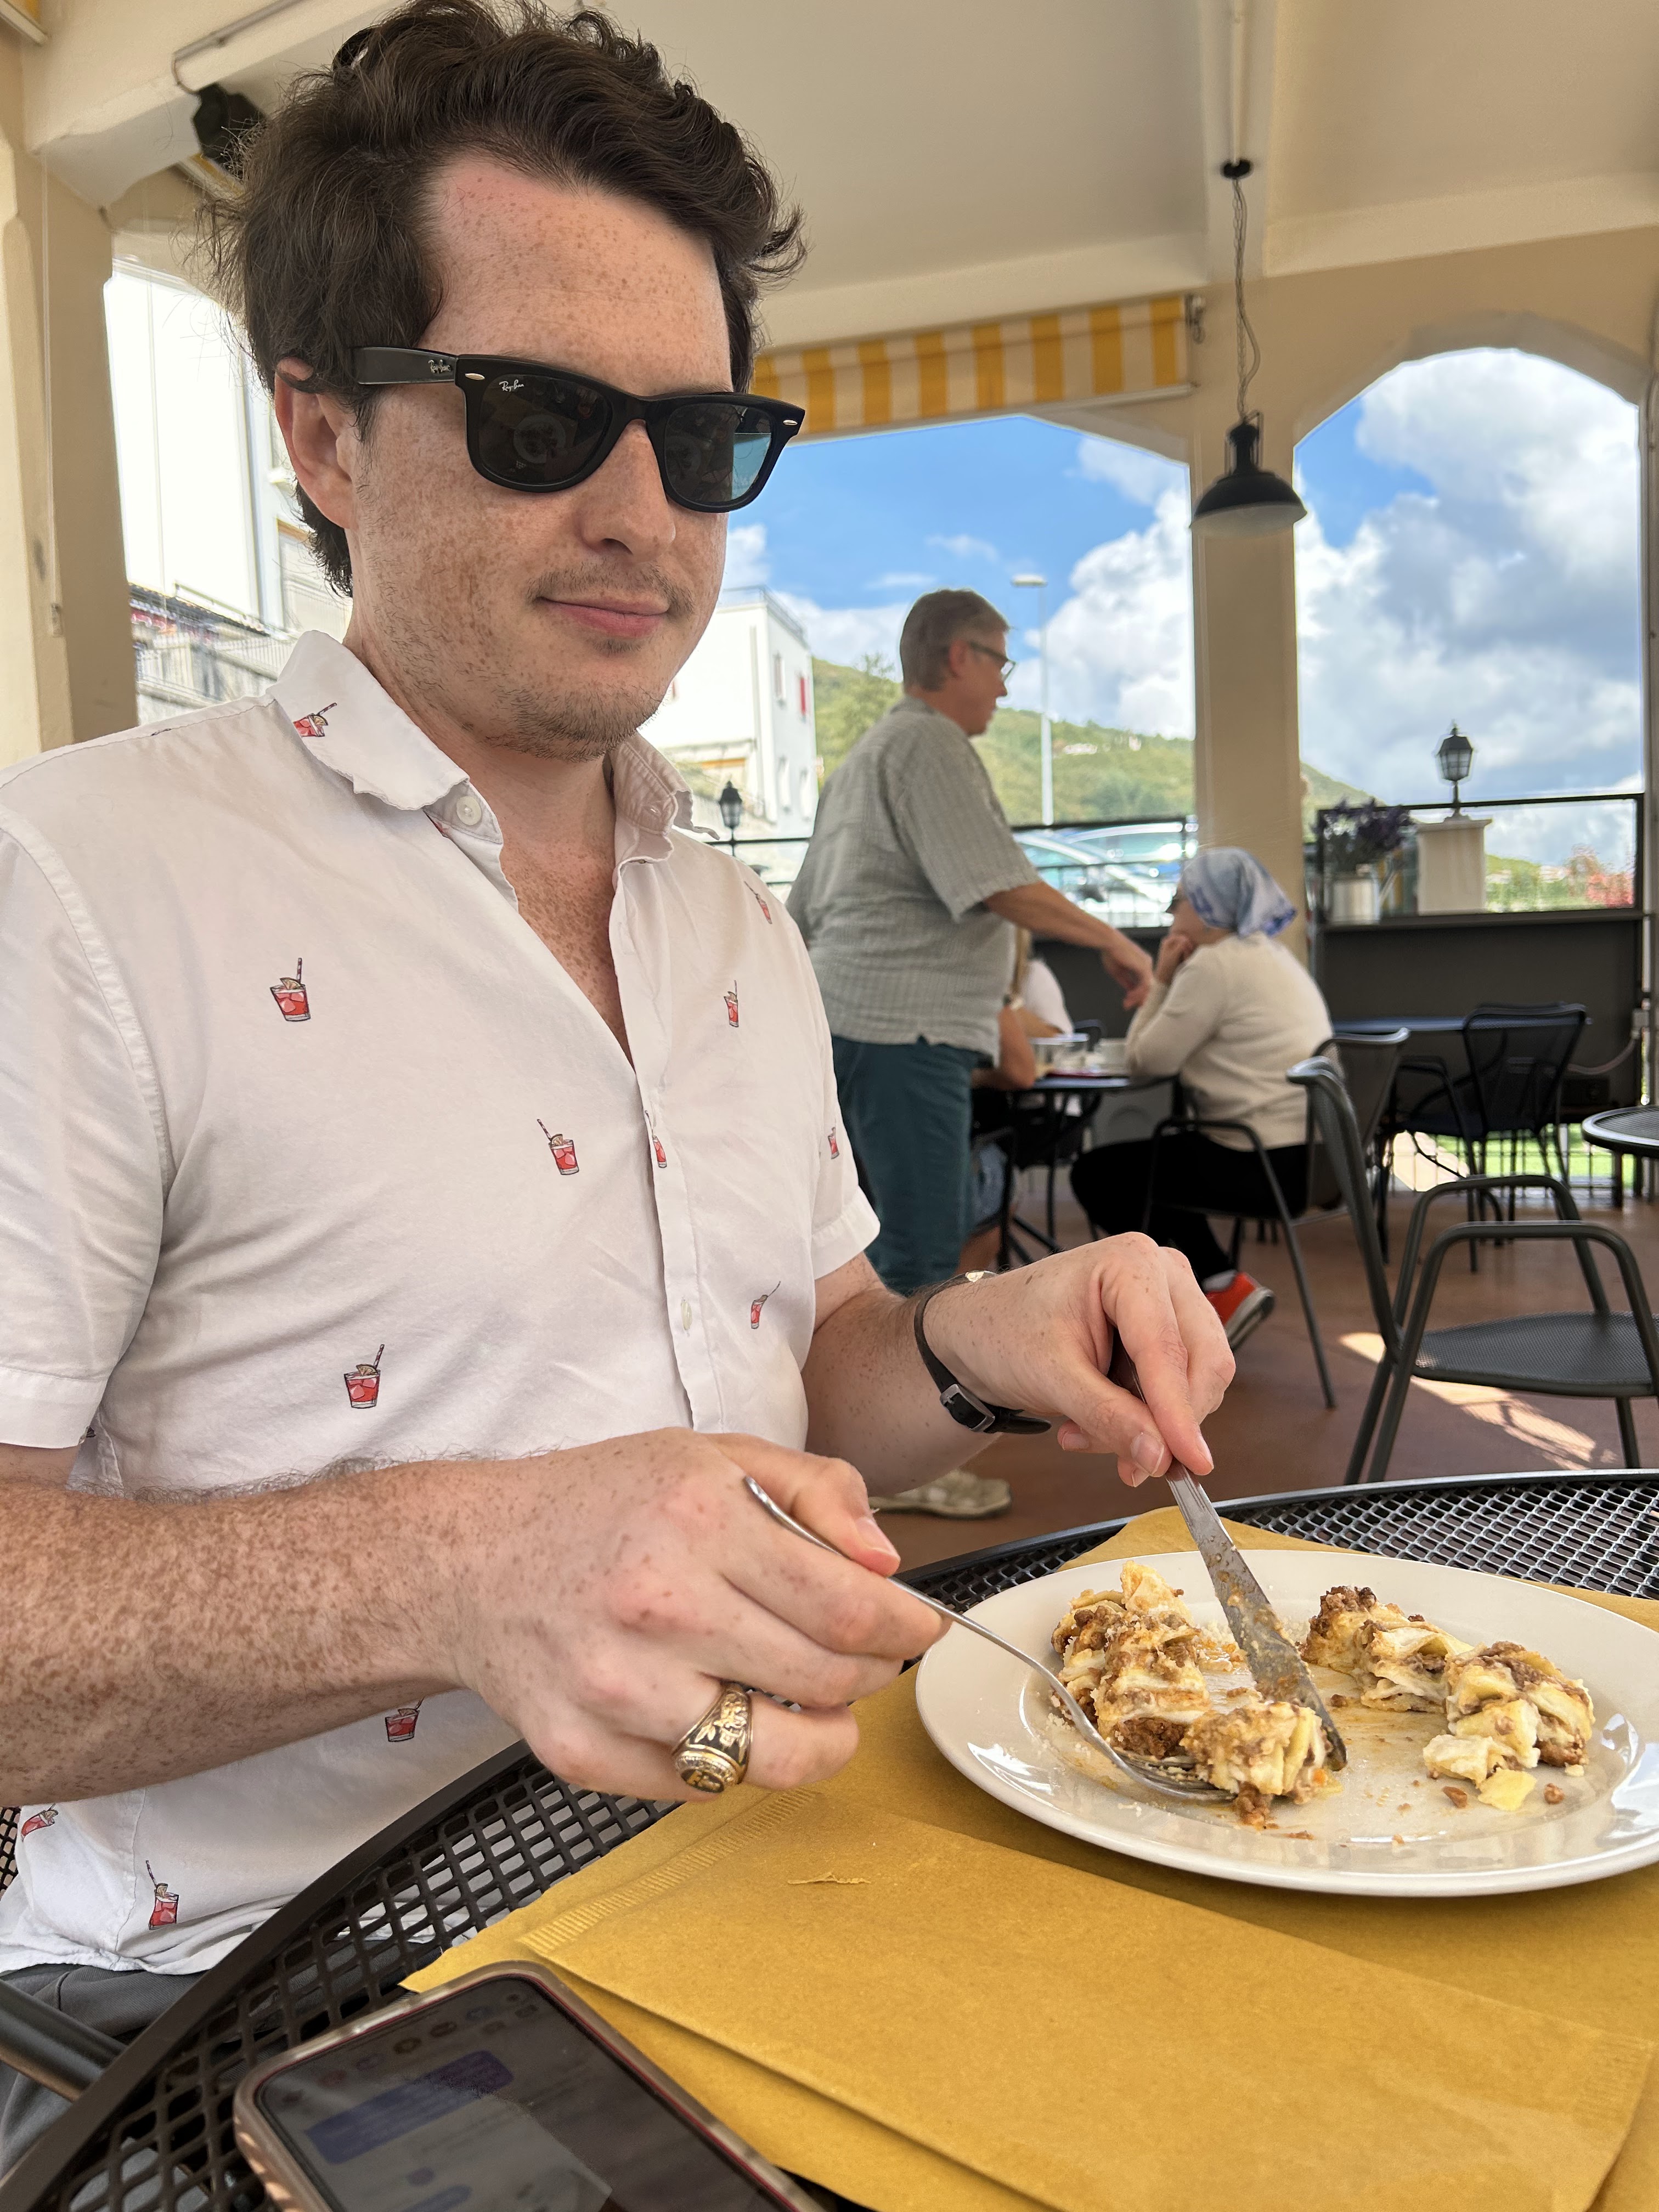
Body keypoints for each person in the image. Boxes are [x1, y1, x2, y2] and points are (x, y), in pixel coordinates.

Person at [0, 2, 1230, 2170]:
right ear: (320, 433)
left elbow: (811, 1355)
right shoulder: (77, 889)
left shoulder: (730, 922)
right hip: (280, 2004)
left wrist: (972, 1340)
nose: (640, 512)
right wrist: (464, 1565)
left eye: (699, 436)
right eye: (540, 415)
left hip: (766, 1870)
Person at [788, 590, 1153, 1294]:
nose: (1005, 687)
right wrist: (1117, 942)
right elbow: (1000, 885)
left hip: (850, 1029)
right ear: (960, 657)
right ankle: (902, 1372)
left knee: (867, 1247)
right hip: (906, 1033)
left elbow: (799, 913)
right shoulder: (928, 744)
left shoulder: (865, 758)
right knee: (921, 1257)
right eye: (1000, 664)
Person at [1070, 849, 1332, 1348]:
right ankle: (1219, 1286)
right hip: (1314, 1160)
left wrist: (1161, 979)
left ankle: (1195, 1302)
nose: (1171, 913)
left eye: (1179, 900)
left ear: (1209, 907)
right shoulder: (1273, 955)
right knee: (1159, 1162)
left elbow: (1145, 1061)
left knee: (1100, 1175)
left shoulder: (1214, 965)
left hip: (1260, 1162)